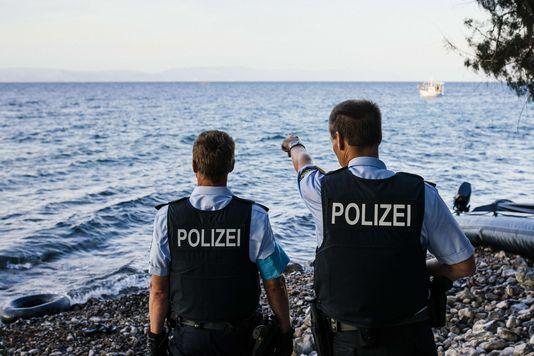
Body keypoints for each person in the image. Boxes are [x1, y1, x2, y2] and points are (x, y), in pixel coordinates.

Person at [281, 100, 476, 355]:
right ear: (379, 137)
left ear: (339, 140)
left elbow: (303, 163)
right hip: (411, 340)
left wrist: (294, 144)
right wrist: (417, 269)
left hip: (349, 344)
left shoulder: (321, 191)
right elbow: (464, 265)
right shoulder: (421, 194)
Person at [149, 130, 293, 356]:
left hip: (187, 339)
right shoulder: (253, 216)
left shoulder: (167, 217)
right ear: (232, 165)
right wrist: (285, 330)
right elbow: (274, 284)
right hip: (239, 339)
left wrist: (155, 338)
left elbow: (159, 290)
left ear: (194, 165)